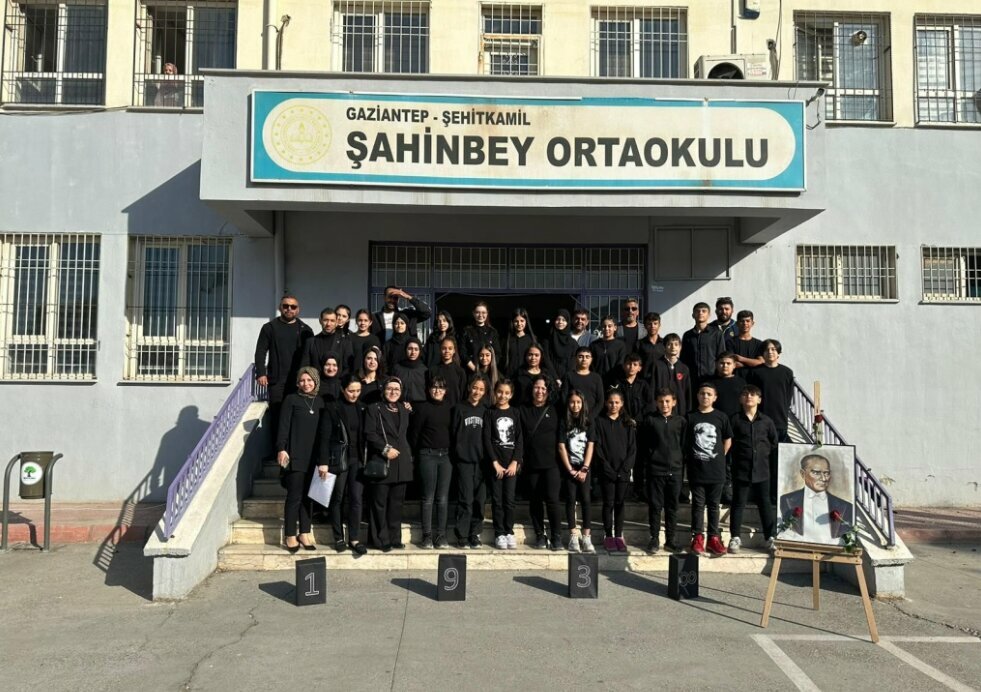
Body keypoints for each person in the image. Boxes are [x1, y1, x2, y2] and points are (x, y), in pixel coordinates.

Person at [276, 367, 327, 552]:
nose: (306, 383)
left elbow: (324, 432)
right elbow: (283, 426)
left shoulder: (320, 402)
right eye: (302, 380)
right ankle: (290, 535)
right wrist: (281, 449)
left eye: (309, 380)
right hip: (295, 456)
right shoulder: (291, 400)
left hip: (314, 458)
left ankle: (304, 533)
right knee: (294, 497)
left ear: (315, 381)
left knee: (309, 498)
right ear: (298, 382)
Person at [255, 294, 313, 454]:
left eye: (293, 307)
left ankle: (295, 450)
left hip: (299, 381)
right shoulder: (269, 328)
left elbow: (311, 356)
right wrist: (261, 373)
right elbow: (260, 352)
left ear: (298, 309)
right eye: (286, 306)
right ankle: (278, 451)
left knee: (298, 415)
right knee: (278, 415)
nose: (289, 309)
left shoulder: (306, 330)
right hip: (277, 381)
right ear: (280, 307)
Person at [363, 377, 413, 551]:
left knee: (396, 504)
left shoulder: (404, 409)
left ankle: (394, 538)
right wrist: (385, 449)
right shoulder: (374, 409)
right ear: (383, 390)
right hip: (382, 461)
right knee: (379, 503)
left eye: (397, 389)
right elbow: (369, 434)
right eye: (390, 389)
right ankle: (380, 539)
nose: (393, 392)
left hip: (402, 463)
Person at [728, 385, 778, 554]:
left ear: (759, 399)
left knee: (765, 504)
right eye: (746, 394)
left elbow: (773, 443)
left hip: (762, 470)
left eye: (753, 394)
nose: (749, 396)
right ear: (741, 399)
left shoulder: (767, 421)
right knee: (738, 503)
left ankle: (770, 537)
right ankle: (735, 537)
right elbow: (729, 443)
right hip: (741, 469)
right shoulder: (734, 420)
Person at [321, 375, 367, 555]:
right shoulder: (332, 408)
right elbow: (324, 437)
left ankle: (354, 538)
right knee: (337, 498)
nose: (354, 394)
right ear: (342, 390)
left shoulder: (362, 408)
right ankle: (338, 537)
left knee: (356, 499)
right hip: (338, 460)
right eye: (351, 391)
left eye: (358, 391)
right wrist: (323, 462)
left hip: (358, 460)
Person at [685, 383, 732, 557]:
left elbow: (727, 439)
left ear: (715, 397)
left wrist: (719, 456)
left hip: (717, 471)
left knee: (713, 506)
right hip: (696, 470)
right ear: (697, 396)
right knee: (697, 505)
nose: (705, 396)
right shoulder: (690, 417)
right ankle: (697, 537)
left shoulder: (721, 417)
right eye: (702, 393)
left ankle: (713, 538)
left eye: (709, 394)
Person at [746, 338, 795, 504]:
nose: (770, 352)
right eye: (767, 350)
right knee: (759, 460)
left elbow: (788, 397)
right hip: (760, 423)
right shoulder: (755, 373)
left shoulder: (787, 373)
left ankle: (775, 496)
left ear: (778, 353)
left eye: (774, 349)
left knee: (777, 461)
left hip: (780, 422)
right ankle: (758, 495)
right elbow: (751, 398)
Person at [520, 375, 563, 551]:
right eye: (537, 387)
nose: (540, 391)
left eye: (544, 388)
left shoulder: (555, 409)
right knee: (535, 501)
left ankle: (556, 536)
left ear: (548, 391)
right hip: (531, 463)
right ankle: (539, 534)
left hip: (552, 463)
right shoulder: (523, 410)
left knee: (553, 500)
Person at [410, 377, 453, 549]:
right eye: (434, 387)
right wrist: (414, 455)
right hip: (426, 455)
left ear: (445, 390)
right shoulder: (422, 408)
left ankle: (441, 535)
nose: (437, 391)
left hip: (446, 457)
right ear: (428, 389)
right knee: (428, 497)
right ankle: (427, 535)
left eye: (441, 388)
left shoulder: (450, 408)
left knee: (442, 498)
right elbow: (415, 434)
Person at [642, 388, 686, 553]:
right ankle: (654, 538)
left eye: (667, 401)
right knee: (655, 505)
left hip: (675, 470)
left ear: (674, 402)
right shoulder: (650, 420)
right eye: (661, 401)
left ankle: (670, 539)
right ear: (656, 403)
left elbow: (683, 445)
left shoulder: (680, 421)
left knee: (672, 506)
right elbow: (644, 445)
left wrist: (678, 461)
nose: (664, 404)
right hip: (656, 470)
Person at [593, 388, 637, 552]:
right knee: (608, 503)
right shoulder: (600, 422)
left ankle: (619, 535)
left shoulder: (628, 423)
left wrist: (624, 469)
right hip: (607, 471)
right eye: (611, 402)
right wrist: (608, 469)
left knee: (620, 504)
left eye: (617, 402)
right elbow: (598, 448)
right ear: (606, 403)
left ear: (622, 404)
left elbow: (632, 449)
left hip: (623, 472)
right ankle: (608, 535)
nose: (613, 405)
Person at [778, 453, 853, 545]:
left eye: (826, 473)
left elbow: (846, 535)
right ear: (803, 474)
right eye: (816, 473)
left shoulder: (846, 506)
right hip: (797, 548)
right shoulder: (786, 500)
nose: (823, 478)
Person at [483, 379, 523, 550]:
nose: (502, 395)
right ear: (495, 392)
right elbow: (486, 439)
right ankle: (499, 533)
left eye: (507, 393)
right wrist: (495, 463)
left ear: (511, 395)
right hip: (496, 465)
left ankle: (509, 531)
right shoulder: (490, 413)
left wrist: (515, 462)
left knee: (509, 500)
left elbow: (520, 439)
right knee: (497, 500)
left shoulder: (515, 412)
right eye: (500, 391)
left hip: (511, 464)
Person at [452, 376, 489, 549]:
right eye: (475, 388)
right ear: (469, 388)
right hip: (464, 461)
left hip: (482, 463)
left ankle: (474, 534)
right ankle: (462, 535)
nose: (477, 392)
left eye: (481, 390)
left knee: (479, 501)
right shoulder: (459, 408)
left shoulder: (486, 410)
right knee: (465, 500)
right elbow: (453, 434)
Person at [557, 390, 596, 554]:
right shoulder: (564, 422)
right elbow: (561, 447)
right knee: (570, 499)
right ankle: (573, 534)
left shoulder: (588, 421)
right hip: (570, 468)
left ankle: (586, 536)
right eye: (572, 402)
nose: (575, 405)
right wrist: (571, 470)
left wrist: (585, 468)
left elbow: (591, 445)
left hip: (584, 468)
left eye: (578, 402)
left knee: (586, 499)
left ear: (583, 403)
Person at [710, 352, 743, 505]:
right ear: (717, 364)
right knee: (719, 459)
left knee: (733, 460)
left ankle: (732, 490)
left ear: (734, 365)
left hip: (736, 425)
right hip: (716, 426)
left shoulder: (741, 383)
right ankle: (720, 491)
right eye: (722, 363)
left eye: (728, 363)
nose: (725, 366)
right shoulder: (711, 383)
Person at [681, 302, 727, 385]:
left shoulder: (716, 334)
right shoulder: (688, 335)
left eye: (703, 311)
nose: (700, 313)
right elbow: (684, 358)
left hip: (712, 378)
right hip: (692, 379)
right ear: (693, 315)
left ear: (709, 315)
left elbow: (721, 356)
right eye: (697, 311)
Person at [304, 307, 354, 375]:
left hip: (337, 384)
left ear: (336, 322)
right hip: (317, 384)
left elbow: (348, 368)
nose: (328, 324)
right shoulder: (310, 342)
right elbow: (305, 368)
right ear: (320, 321)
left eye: (332, 321)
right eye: (325, 320)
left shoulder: (345, 343)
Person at [652, 333, 691, 416]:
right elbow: (652, 388)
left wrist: (688, 410)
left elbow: (688, 392)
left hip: (679, 409)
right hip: (661, 408)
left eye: (676, 344)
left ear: (680, 347)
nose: (673, 347)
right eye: (670, 344)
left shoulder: (684, 368)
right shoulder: (657, 365)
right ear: (664, 347)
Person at [562, 347, 604, 421]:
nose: (584, 359)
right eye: (581, 356)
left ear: (591, 359)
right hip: (572, 417)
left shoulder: (596, 377)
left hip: (591, 419)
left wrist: (590, 417)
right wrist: (572, 414)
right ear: (575, 358)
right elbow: (564, 397)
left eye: (587, 357)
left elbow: (600, 401)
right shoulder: (569, 376)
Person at [461, 301, 502, 371]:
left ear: (487, 313)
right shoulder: (466, 331)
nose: (480, 315)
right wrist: (474, 369)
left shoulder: (492, 332)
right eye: (477, 312)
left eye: (483, 312)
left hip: (489, 371)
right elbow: (463, 353)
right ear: (473, 313)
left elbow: (498, 354)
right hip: (471, 371)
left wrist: (488, 368)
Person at [428, 337, 467, 406]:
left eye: (450, 348)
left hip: (454, 410)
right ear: (440, 349)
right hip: (436, 409)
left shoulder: (460, 371)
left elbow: (463, 395)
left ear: (454, 350)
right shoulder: (432, 370)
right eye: (444, 348)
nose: (447, 351)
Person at [392, 337, 427, 408]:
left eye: (416, 349)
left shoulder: (425, 370)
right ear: (405, 350)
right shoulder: (397, 368)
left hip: (420, 407)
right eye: (410, 349)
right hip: (400, 406)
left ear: (420, 351)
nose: (413, 352)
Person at [545, 308, 577, 388]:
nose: (560, 322)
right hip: (550, 379)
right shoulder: (547, 340)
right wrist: (556, 378)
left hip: (567, 380)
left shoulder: (573, 343)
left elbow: (573, 361)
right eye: (558, 319)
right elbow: (546, 359)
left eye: (563, 320)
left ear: (567, 322)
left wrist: (565, 378)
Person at [590, 315, 626, 380]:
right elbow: (591, 364)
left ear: (615, 328)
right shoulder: (594, 345)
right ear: (601, 328)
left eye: (609, 326)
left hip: (614, 381)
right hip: (596, 381)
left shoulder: (620, 345)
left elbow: (620, 364)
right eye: (604, 326)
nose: (606, 328)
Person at [503, 307, 536, 377]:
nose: (519, 324)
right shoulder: (507, 340)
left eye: (522, 321)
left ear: (526, 321)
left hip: (526, 376)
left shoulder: (532, 340)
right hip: (510, 377)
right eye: (516, 321)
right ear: (512, 322)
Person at [635, 312, 665, 379]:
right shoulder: (639, 344)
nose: (652, 326)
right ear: (645, 326)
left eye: (655, 323)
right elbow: (635, 363)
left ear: (659, 325)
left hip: (662, 379)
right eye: (649, 324)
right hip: (644, 380)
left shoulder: (665, 343)